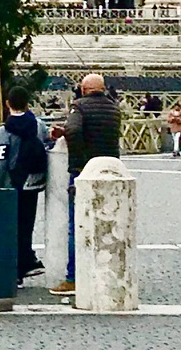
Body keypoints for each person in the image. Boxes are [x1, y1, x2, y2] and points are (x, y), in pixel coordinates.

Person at [59, 73, 119, 292]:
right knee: (106, 224)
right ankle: (106, 272)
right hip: (110, 170)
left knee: (78, 224)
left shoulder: (79, 106)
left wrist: (79, 158)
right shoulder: (114, 108)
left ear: (83, 89)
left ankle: (73, 277)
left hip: (84, 171)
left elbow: (74, 130)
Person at [0, 86, 49, 283]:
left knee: (9, 225)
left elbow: (0, 161)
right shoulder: (40, 125)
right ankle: (26, 260)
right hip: (32, 182)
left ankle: (13, 268)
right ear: (28, 104)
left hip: (12, 183)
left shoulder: (4, 130)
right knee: (27, 224)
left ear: (7, 104)